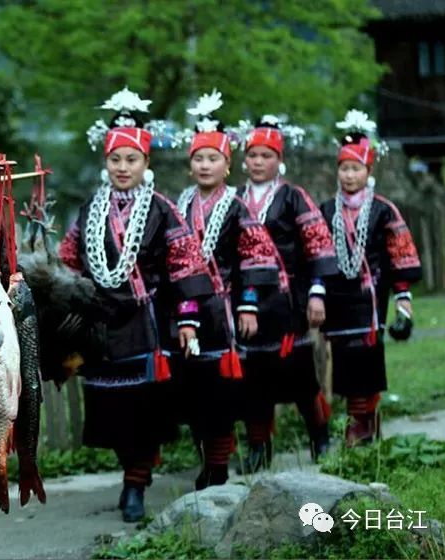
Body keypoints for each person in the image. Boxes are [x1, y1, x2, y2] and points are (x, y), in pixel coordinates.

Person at [58, 88, 213, 522]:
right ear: (105, 162)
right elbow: (69, 261)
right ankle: (132, 469)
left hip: (146, 323)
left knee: (143, 409)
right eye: (115, 159)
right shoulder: (90, 210)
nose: (122, 167)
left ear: (146, 162)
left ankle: (135, 484)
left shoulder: (162, 210)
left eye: (131, 159)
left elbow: (185, 265)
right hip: (100, 325)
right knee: (113, 410)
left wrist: (188, 320)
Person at [172, 90, 279, 489]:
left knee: (220, 392)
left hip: (224, 311)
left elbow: (257, 256)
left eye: (212, 158)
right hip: (185, 311)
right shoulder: (179, 207)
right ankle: (207, 457)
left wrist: (248, 304)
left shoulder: (237, 206)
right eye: (198, 158)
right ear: (189, 165)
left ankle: (218, 465)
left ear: (228, 164)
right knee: (193, 390)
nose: (205, 165)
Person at [235, 116, 339, 473]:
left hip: (288, 299)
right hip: (247, 301)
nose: (258, 162)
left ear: (279, 159)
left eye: (266, 155)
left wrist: (317, 293)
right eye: (252, 155)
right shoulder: (234, 199)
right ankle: (259, 448)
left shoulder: (294, 197)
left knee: (300, 376)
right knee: (253, 378)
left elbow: (318, 246)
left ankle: (320, 438)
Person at [320, 110, 421, 446]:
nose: (349, 175)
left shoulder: (383, 210)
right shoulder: (326, 211)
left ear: (368, 171)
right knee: (344, 364)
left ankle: (363, 425)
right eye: (344, 168)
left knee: (368, 362)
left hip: (370, 300)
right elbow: (316, 254)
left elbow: (400, 257)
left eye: (356, 168)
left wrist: (403, 303)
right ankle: (358, 421)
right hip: (337, 302)